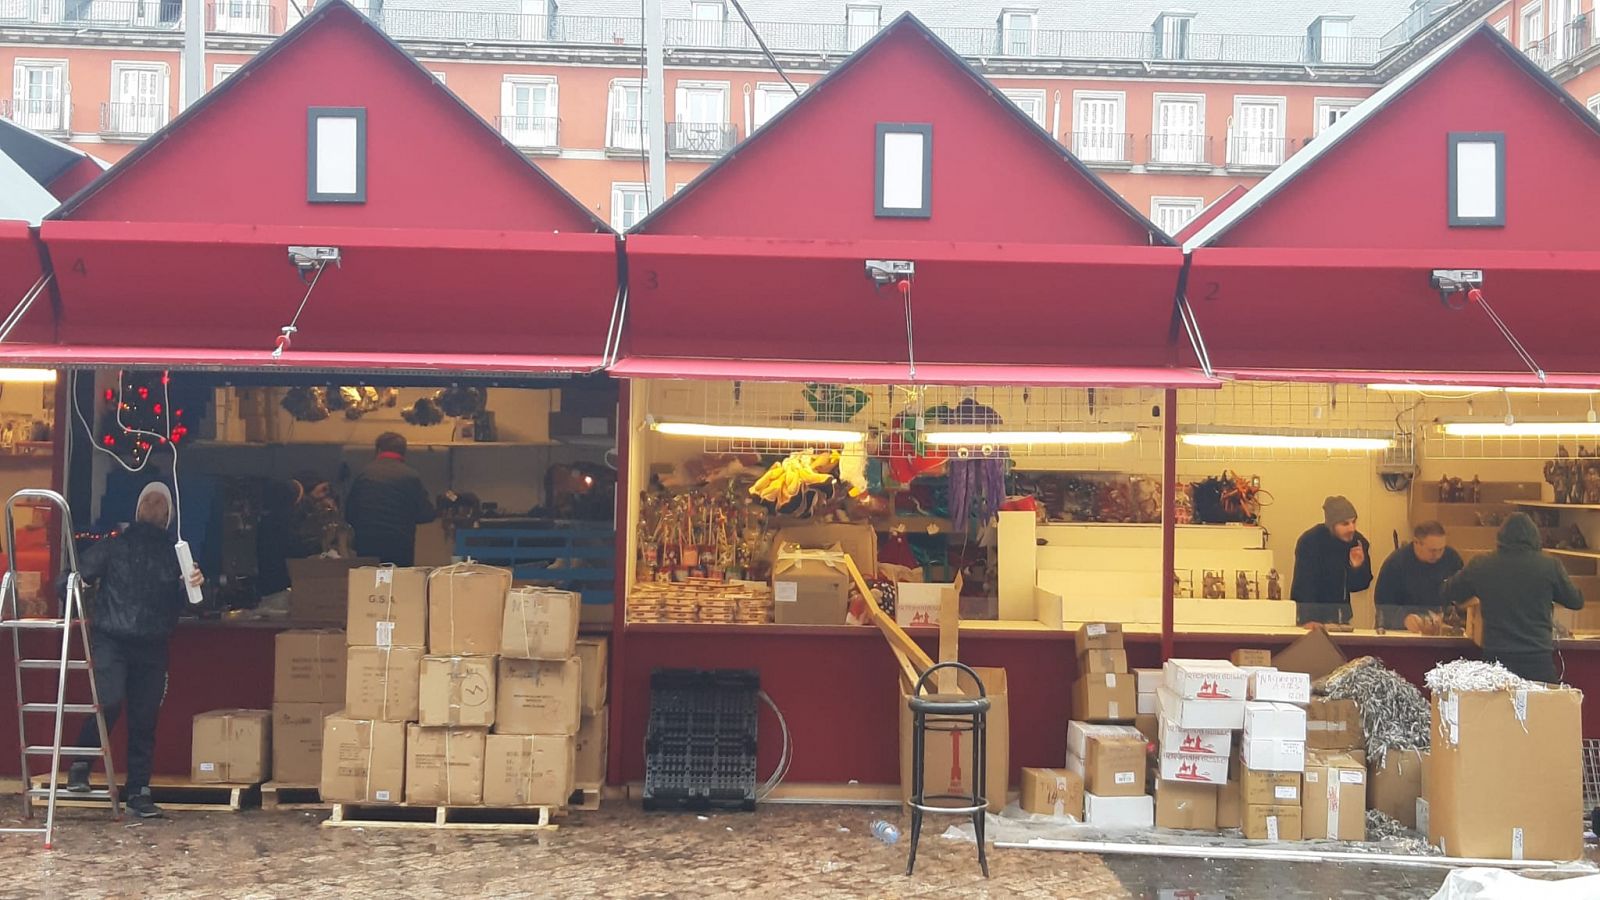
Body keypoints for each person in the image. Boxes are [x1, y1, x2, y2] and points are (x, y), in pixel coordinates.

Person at [65, 482, 204, 818]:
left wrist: (196, 582)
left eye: (160, 502)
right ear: (141, 509)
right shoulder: (116, 546)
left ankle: (139, 791)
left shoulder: (176, 554)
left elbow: (195, 602)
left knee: (144, 719)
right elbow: (73, 578)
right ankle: (82, 761)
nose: (155, 505)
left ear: (168, 515)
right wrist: (78, 586)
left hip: (151, 644)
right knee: (109, 700)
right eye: (150, 500)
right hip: (113, 639)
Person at [1442, 512, 1583, 683]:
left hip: (1497, 659)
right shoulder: (1549, 565)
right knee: (1541, 708)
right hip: (1537, 658)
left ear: (1500, 537)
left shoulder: (1482, 564)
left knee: (1498, 709)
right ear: (1535, 537)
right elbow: (1575, 601)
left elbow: (1449, 591)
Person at [345, 432, 435, 567]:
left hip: (367, 543)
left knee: (369, 583)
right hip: (399, 544)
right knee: (397, 584)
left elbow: (349, 513)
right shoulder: (411, 476)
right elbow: (426, 514)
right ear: (404, 452)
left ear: (378, 450)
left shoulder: (364, 474)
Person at [1290, 495, 1373, 625]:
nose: (1352, 528)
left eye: (1354, 522)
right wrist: (1308, 619)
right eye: (1345, 523)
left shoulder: (1358, 543)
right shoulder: (1310, 542)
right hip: (1311, 617)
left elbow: (1360, 586)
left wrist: (1357, 567)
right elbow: (1303, 585)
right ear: (1331, 525)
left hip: (1341, 617)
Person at [1374, 521, 1465, 629]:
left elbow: (1462, 595)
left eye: (1441, 549)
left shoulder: (1452, 559)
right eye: (1432, 550)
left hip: (1442, 626)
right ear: (1416, 542)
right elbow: (1383, 607)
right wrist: (1403, 619)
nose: (1437, 555)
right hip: (1404, 632)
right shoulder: (1395, 564)